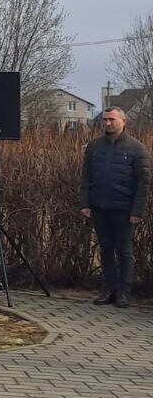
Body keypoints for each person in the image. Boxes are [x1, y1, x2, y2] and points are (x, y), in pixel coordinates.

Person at [80, 106, 151, 308]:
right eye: (105, 120)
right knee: (106, 250)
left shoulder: (137, 148)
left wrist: (137, 211)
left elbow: (143, 183)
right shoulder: (94, 146)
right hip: (100, 206)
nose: (108, 123)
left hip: (124, 209)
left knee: (124, 251)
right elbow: (86, 177)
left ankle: (124, 293)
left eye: (112, 119)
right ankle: (108, 290)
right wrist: (85, 203)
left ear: (123, 121)